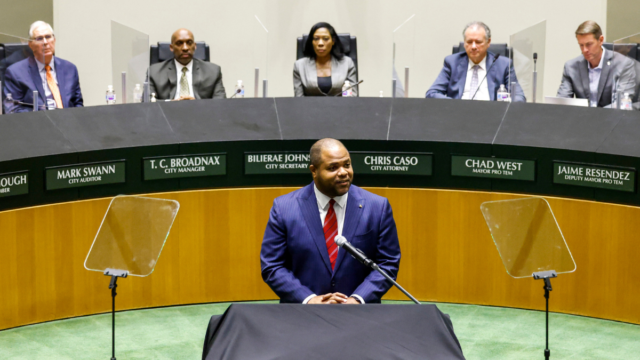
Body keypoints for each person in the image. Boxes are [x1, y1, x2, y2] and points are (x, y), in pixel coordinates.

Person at [260, 138, 401, 304]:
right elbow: (272, 266)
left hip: (361, 315)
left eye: (347, 165)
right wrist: (309, 299)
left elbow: (388, 263)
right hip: (302, 314)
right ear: (314, 170)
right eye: (333, 168)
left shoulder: (377, 207)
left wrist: (357, 299)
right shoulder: (284, 208)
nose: (343, 172)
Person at [426, 21, 525, 102]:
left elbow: (519, 96)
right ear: (464, 43)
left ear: (488, 42)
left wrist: (506, 104)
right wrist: (455, 105)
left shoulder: (503, 65)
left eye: (478, 42)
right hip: (458, 117)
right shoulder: (452, 62)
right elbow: (432, 93)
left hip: (492, 117)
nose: (473, 47)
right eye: (469, 42)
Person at [3, 21, 83, 113]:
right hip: (36, 124)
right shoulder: (15, 72)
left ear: (54, 40)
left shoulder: (70, 69)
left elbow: (78, 104)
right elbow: (12, 110)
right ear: (30, 44)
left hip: (67, 123)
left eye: (48, 37)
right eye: (39, 38)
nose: (45, 42)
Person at [557, 20, 637, 108]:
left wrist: (594, 116)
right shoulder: (571, 67)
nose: (584, 50)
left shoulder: (623, 64)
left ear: (601, 40)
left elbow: (622, 104)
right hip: (581, 119)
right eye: (581, 45)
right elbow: (562, 102)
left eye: (589, 44)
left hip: (612, 119)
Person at [148, 28, 226, 100]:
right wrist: (171, 104)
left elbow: (220, 103)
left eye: (189, 43)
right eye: (179, 43)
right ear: (171, 47)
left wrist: (198, 104)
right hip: (167, 113)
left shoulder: (213, 71)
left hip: (201, 113)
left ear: (195, 46)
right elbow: (148, 102)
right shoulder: (154, 72)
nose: (185, 48)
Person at [293, 22, 357, 97]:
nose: (320, 43)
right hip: (309, 108)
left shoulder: (347, 63)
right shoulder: (299, 65)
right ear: (311, 42)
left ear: (333, 41)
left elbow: (352, 97)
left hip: (341, 107)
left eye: (325, 39)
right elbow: (299, 100)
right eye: (316, 39)